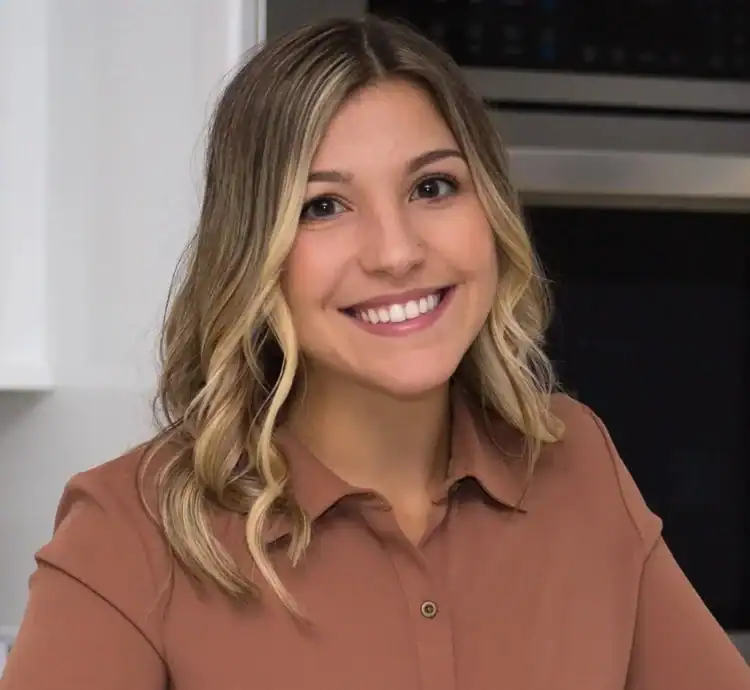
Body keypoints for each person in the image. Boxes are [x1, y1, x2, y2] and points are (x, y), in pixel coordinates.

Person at [2, 15, 748, 690]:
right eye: (323, 205)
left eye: (432, 186)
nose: (396, 252)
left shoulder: (574, 460)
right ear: (253, 254)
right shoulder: (130, 530)